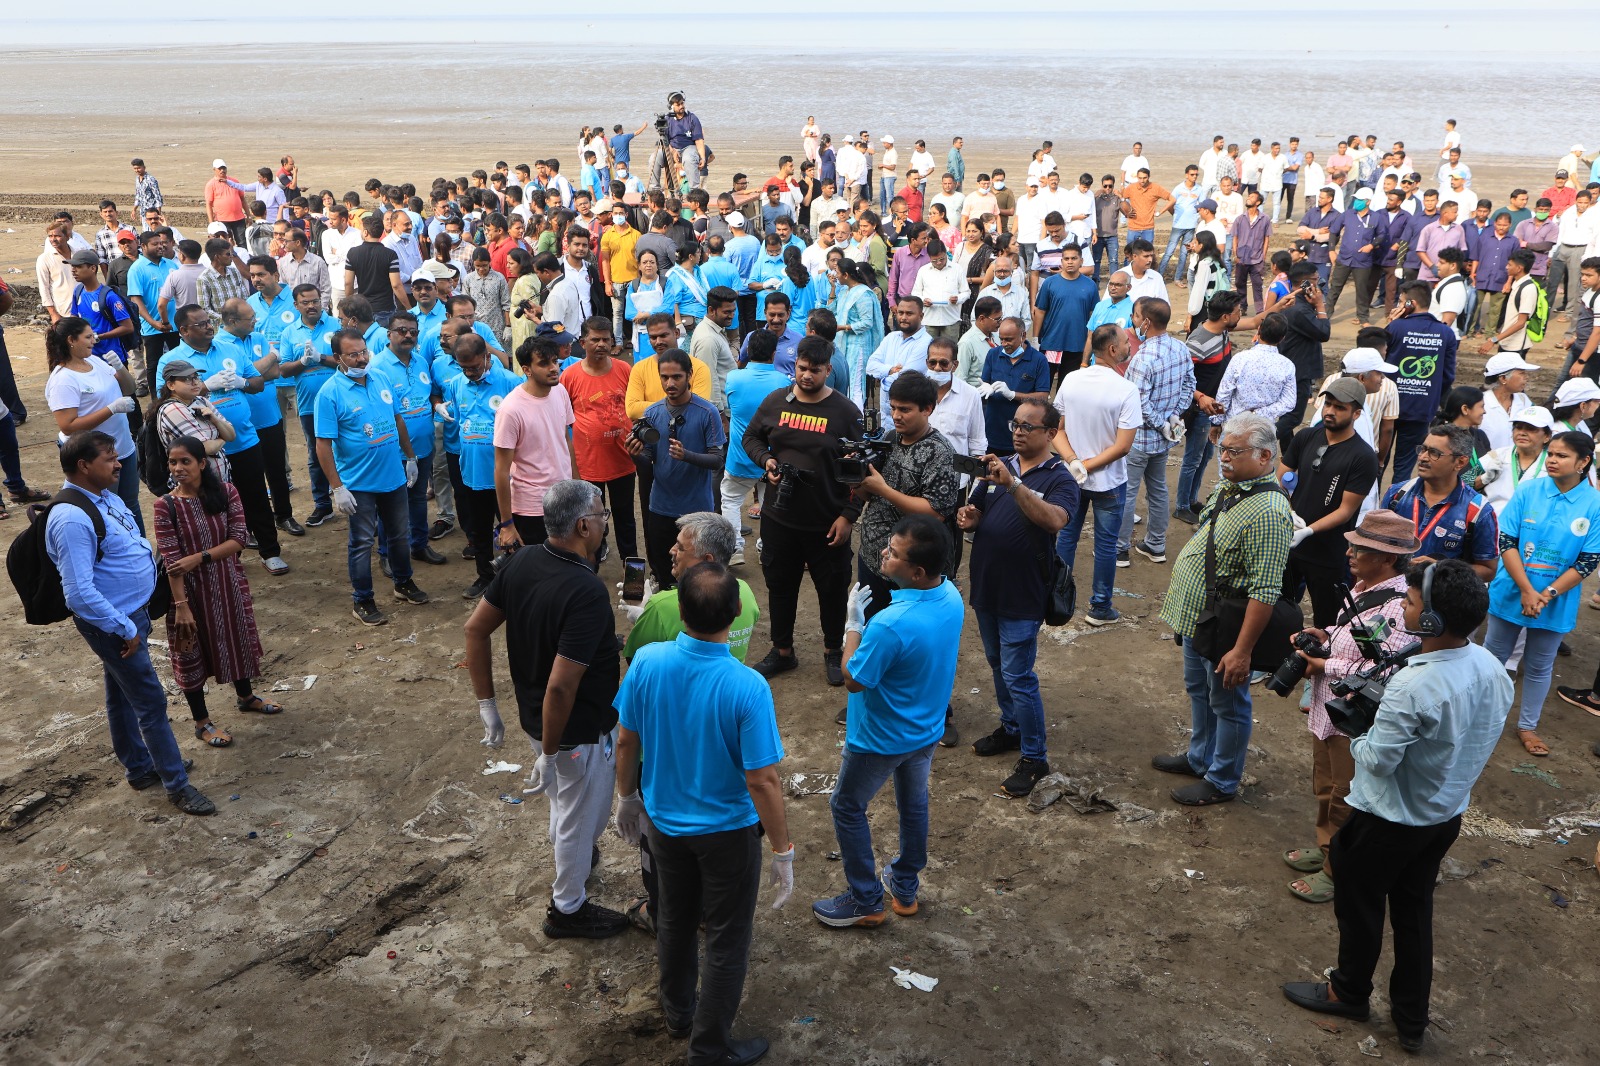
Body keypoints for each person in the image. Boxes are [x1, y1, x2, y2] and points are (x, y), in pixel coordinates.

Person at [1281, 560, 1512, 1056]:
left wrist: (1360, 727)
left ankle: (1348, 991)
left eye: (1409, 603)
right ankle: (1410, 1019)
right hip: (1443, 814)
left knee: (1359, 907)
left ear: (1430, 620)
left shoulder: (1413, 687)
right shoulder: (1491, 666)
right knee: (1413, 913)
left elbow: (1377, 762)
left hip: (1388, 818)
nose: (1402, 609)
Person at [611, 562, 791, 1065]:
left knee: (675, 918)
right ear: (734, 613)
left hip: (664, 822)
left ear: (678, 610)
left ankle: (679, 1013)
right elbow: (762, 779)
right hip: (727, 834)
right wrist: (783, 849)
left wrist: (626, 797)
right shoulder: (747, 686)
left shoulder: (647, 662)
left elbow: (627, 738)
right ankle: (709, 1048)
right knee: (727, 941)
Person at [464, 480, 630, 940]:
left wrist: (489, 706)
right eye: (602, 516)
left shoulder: (524, 560)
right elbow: (562, 686)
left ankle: (572, 857)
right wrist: (553, 752)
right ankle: (568, 909)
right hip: (573, 731)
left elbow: (475, 630)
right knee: (582, 817)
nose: (603, 524)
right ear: (582, 525)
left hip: (538, 721)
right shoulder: (586, 590)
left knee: (565, 806)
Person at [807, 513, 965, 930]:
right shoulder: (950, 595)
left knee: (846, 806)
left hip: (880, 737)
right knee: (913, 804)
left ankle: (865, 900)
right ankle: (906, 886)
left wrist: (853, 626)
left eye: (892, 553)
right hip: (926, 728)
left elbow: (854, 679)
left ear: (916, 571)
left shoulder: (891, 624)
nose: (882, 553)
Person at [45, 431, 215, 815]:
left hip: (129, 615)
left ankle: (139, 767)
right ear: (84, 466)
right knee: (150, 701)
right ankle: (177, 784)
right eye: (109, 457)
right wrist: (124, 628)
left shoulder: (103, 496)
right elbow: (78, 592)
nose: (118, 462)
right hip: (115, 625)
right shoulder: (71, 518)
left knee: (121, 693)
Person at [1153, 411, 1294, 806]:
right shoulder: (1230, 488)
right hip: (1200, 618)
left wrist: (1242, 651)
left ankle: (1222, 780)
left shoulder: (1268, 511)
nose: (1225, 457)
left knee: (1229, 704)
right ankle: (1200, 758)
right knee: (1200, 690)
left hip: (1226, 630)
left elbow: (1265, 591)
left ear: (1265, 457)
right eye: (1222, 448)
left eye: (1235, 451)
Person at [1280, 510, 1418, 905]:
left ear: (1388, 558)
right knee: (1326, 786)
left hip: (1353, 719)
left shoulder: (1396, 604)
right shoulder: (1362, 587)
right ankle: (1327, 850)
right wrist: (1324, 635)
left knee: (1347, 796)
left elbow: (1382, 667)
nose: (1350, 551)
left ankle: (1336, 871)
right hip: (1330, 709)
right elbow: (1359, 643)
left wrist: (1324, 664)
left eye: (1361, 548)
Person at [960, 399, 1078, 796]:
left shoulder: (1060, 478)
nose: (1018, 431)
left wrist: (1013, 486)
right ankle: (1011, 729)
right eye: (1016, 424)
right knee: (997, 664)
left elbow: (1055, 520)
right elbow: (976, 510)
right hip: (987, 585)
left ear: (1051, 433)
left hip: (1023, 593)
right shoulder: (1000, 464)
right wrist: (970, 518)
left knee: (1018, 675)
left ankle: (1035, 756)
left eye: (1029, 426)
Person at [742, 340, 864, 685]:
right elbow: (751, 438)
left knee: (832, 590)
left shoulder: (846, 412)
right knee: (780, 586)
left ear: (829, 370)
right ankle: (782, 651)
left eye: (815, 369)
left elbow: (862, 470)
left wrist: (848, 515)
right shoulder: (776, 402)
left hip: (827, 522)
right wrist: (766, 461)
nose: (807, 375)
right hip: (779, 519)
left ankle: (831, 651)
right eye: (801, 368)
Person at [847, 371, 961, 740]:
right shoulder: (887, 439)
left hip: (915, 565)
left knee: (921, 640)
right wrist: (855, 495)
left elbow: (936, 512)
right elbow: (868, 490)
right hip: (875, 553)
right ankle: (869, 692)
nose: (896, 416)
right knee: (875, 627)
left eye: (906, 410)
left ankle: (939, 714)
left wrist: (883, 488)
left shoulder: (940, 452)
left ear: (929, 408)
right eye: (893, 408)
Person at [154, 434, 278, 751]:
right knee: (190, 651)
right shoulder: (165, 506)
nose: (178, 468)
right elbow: (171, 562)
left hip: (226, 581)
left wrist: (200, 557)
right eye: (173, 462)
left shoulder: (226, 492)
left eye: (185, 461)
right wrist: (181, 606)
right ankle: (201, 723)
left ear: (202, 463)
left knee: (235, 638)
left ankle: (245, 696)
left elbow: (238, 539)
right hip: (188, 592)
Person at [1481, 431, 1600, 757]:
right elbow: (1507, 542)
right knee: (1491, 660)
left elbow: (1588, 561)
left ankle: (1527, 726)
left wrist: (1543, 594)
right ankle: (1478, 717)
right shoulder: (1529, 489)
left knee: (1538, 666)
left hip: (1554, 601)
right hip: (1511, 591)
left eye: (1561, 455)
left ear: (1583, 462)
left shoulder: (1594, 504)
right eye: (1551, 454)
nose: (1552, 460)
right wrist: (1526, 589)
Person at [314, 328, 429, 625]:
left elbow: (397, 418)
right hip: (359, 484)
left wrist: (411, 457)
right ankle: (362, 599)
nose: (361, 358)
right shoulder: (329, 393)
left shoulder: (380, 377)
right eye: (353, 354)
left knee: (399, 535)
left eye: (364, 351)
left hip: (393, 476)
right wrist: (337, 488)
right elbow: (323, 445)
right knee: (362, 542)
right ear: (338, 358)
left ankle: (403, 583)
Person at [1046, 324, 1137, 624]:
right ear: (1112, 349)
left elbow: (1056, 432)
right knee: (1106, 546)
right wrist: (1087, 465)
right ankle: (1100, 607)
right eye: (1125, 342)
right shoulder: (1126, 389)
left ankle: (1057, 597)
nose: (1129, 346)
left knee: (1066, 539)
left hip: (1072, 478)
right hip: (1109, 481)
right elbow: (1123, 447)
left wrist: (1074, 462)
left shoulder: (1071, 380)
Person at [1281, 379, 1381, 627]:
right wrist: (1288, 510)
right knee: (1279, 610)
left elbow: (1346, 510)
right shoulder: (1306, 437)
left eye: (1339, 407)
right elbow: (1281, 478)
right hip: (1289, 545)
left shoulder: (1363, 457)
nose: (1330, 411)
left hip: (1328, 553)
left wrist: (1308, 530)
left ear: (1356, 413)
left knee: (1328, 623)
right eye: (1328, 404)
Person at [627, 348, 726, 589]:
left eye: (677, 377)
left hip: (696, 510)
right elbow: (648, 460)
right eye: (664, 377)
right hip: (660, 507)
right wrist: (635, 454)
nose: (670, 383)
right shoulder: (652, 413)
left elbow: (717, 459)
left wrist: (687, 456)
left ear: (689, 375)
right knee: (663, 572)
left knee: (697, 576)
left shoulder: (707, 412)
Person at [1113, 300, 1193, 570]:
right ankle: (1155, 545)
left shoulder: (1143, 358)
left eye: (1136, 317)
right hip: (1164, 438)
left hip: (1139, 439)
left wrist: (1162, 422)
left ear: (1146, 322)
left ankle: (1120, 548)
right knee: (1158, 490)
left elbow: (1137, 402)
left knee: (1127, 492)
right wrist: (1173, 417)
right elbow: (1190, 385)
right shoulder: (1180, 348)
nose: (1133, 321)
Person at [45, 316, 142, 529]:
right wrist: (111, 409)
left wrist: (120, 368)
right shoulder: (63, 380)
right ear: (71, 340)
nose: (94, 340)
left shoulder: (94, 361)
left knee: (131, 505)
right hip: (96, 456)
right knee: (108, 510)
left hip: (123, 447)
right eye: (88, 337)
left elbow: (129, 389)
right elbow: (68, 425)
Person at [1378, 424, 1499, 582]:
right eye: (1423, 449)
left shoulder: (1478, 511)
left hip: (1441, 602)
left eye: (1434, 453)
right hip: (1392, 597)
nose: (1423, 457)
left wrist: (1441, 568)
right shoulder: (1397, 494)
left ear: (1460, 462)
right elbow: (1375, 546)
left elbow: (1488, 570)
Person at [560, 318, 637, 560]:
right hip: (587, 464)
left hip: (623, 461)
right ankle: (591, 566)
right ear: (583, 343)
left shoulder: (625, 370)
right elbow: (562, 420)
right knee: (590, 521)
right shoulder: (569, 377)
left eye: (606, 339)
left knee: (625, 517)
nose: (601, 344)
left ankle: (631, 569)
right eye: (595, 339)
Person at [721, 329, 790, 565]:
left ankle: (733, 549)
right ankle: (767, 547)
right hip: (771, 459)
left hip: (740, 456)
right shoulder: (784, 383)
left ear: (748, 352)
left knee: (730, 500)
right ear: (774, 354)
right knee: (770, 504)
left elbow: (730, 408)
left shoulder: (733, 378)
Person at [1175, 290, 1242, 523]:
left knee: (1205, 456)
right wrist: (1201, 397)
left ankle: (1192, 500)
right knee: (1193, 458)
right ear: (1225, 316)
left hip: (1213, 408)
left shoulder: (1221, 330)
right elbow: (1181, 376)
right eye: (1237, 312)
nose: (1241, 316)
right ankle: (1182, 505)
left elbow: (1257, 320)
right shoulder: (1198, 342)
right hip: (1200, 410)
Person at [276, 283, 339, 526]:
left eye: (315, 300)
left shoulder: (336, 325)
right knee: (315, 454)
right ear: (296, 305)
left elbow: (351, 359)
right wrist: (303, 361)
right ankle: (323, 505)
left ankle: (357, 500)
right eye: (306, 302)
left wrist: (321, 358)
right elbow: (283, 370)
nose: (312, 306)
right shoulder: (290, 332)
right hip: (309, 404)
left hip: (341, 401)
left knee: (350, 449)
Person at [1384, 281, 1458, 482]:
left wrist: (1388, 325)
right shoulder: (1446, 333)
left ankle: (1372, 507)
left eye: (1400, 302)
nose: (1398, 306)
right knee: (1404, 467)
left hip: (1389, 406)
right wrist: (1431, 394)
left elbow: (1377, 359)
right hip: (1421, 408)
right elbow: (1448, 375)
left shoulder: (1396, 327)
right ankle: (1394, 507)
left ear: (1411, 303)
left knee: (1379, 460)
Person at [1033, 245, 1098, 385]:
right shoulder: (1050, 283)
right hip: (1052, 342)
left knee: (1067, 385)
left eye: (1074, 258)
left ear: (1081, 261)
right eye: (1066, 258)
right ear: (1061, 261)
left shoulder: (1090, 285)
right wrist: (1035, 337)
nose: (1070, 262)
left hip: (1077, 344)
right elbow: (1040, 310)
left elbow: (1094, 314)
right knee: (1044, 382)